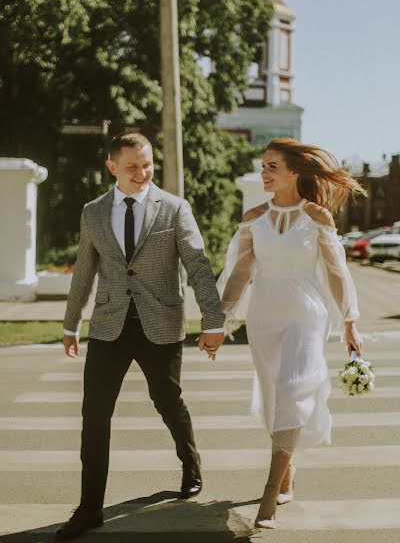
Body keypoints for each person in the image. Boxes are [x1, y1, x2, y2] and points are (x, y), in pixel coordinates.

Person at [56, 133, 225, 540]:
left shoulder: (175, 208)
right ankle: (90, 507)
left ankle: (190, 463)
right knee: (94, 416)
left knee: (167, 401)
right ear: (112, 166)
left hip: (159, 323)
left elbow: (197, 265)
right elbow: (84, 270)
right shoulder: (93, 211)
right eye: (133, 166)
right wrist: (70, 323)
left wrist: (213, 321)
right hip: (110, 325)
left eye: (147, 164)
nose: (143, 173)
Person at [218, 138, 366, 529]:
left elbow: (337, 273)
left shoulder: (317, 217)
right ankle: (288, 468)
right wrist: (221, 318)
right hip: (264, 317)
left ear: (295, 172)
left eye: (272, 167)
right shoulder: (252, 218)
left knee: (294, 388)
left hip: (306, 315)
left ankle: (268, 494)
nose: (265, 173)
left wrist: (350, 320)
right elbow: (240, 273)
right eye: (264, 166)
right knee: (272, 397)